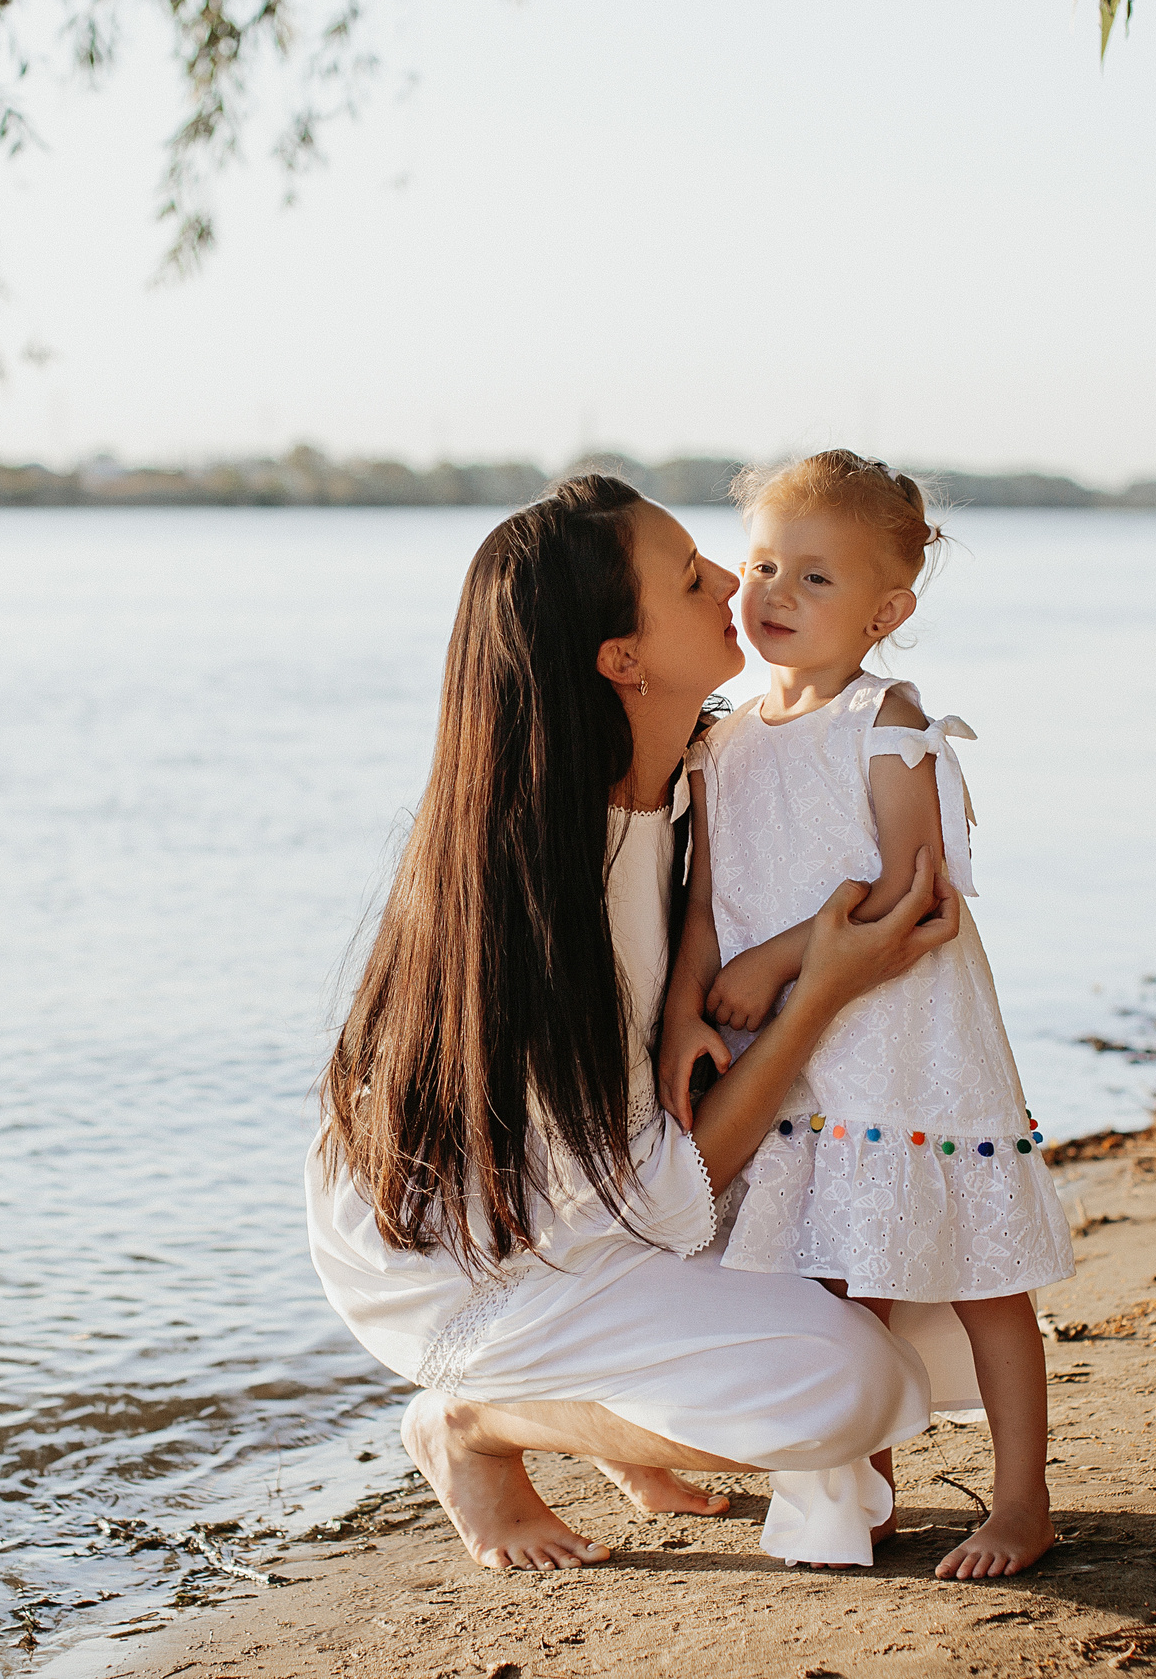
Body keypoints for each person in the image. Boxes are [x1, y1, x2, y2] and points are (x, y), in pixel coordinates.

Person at [307, 473, 963, 1571]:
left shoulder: (706, 766)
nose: (734, 581)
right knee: (860, 1386)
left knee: (922, 1297)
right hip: (473, 1256)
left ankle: (618, 1388)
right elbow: (658, 1195)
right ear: (623, 658)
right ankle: (477, 1420)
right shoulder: (554, 884)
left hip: (605, 1192)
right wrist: (826, 990)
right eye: (690, 576)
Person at [661, 449, 1076, 1581]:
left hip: (904, 1036)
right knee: (841, 1266)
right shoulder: (721, 738)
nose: (772, 595)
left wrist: (778, 959)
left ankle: (1022, 1498)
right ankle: (866, 1476)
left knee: (985, 1274)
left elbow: (913, 882)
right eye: (759, 566)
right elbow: (704, 902)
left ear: (887, 610)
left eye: (814, 578)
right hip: (786, 1049)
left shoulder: (884, 719)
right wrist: (689, 1011)